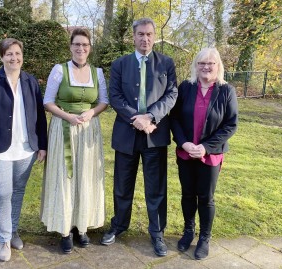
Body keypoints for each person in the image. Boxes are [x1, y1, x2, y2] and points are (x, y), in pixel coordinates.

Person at [100, 18, 178, 257]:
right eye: (141, 34)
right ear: (133, 37)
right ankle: (119, 225)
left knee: (156, 188)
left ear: (154, 37)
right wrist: (136, 118)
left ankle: (157, 233)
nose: (145, 39)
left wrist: (151, 117)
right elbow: (115, 96)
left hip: (155, 136)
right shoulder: (120, 64)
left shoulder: (166, 63)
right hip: (127, 134)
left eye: (149, 34)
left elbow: (172, 93)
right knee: (123, 185)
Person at [0, 38, 47, 262]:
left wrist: (42, 145)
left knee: (17, 193)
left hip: (25, 149)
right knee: (0, 194)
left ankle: (12, 230)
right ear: (1, 57)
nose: (14, 58)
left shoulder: (30, 81)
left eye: (17, 53)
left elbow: (40, 116)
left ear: (22, 56)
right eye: (9, 54)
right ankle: (4, 238)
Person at [40, 28, 109, 254]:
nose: (81, 48)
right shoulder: (59, 70)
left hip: (89, 130)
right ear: (70, 47)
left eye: (85, 45)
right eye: (77, 44)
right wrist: (68, 116)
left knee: (85, 176)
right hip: (64, 128)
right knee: (65, 176)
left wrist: (91, 113)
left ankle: (82, 226)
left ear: (90, 48)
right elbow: (48, 101)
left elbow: (103, 102)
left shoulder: (97, 73)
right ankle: (64, 230)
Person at [169, 48, 238, 260]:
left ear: (218, 66)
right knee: (188, 194)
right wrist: (184, 143)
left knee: (206, 198)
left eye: (211, 63)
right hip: (186, 153)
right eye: (202, 63)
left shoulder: (227, 91)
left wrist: (206, 147)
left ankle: (204, 238)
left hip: (210, 156)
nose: (206, 67)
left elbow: (230, 124)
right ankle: (188, 231)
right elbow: (175, 118)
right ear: (195, 66)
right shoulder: (186, 87)